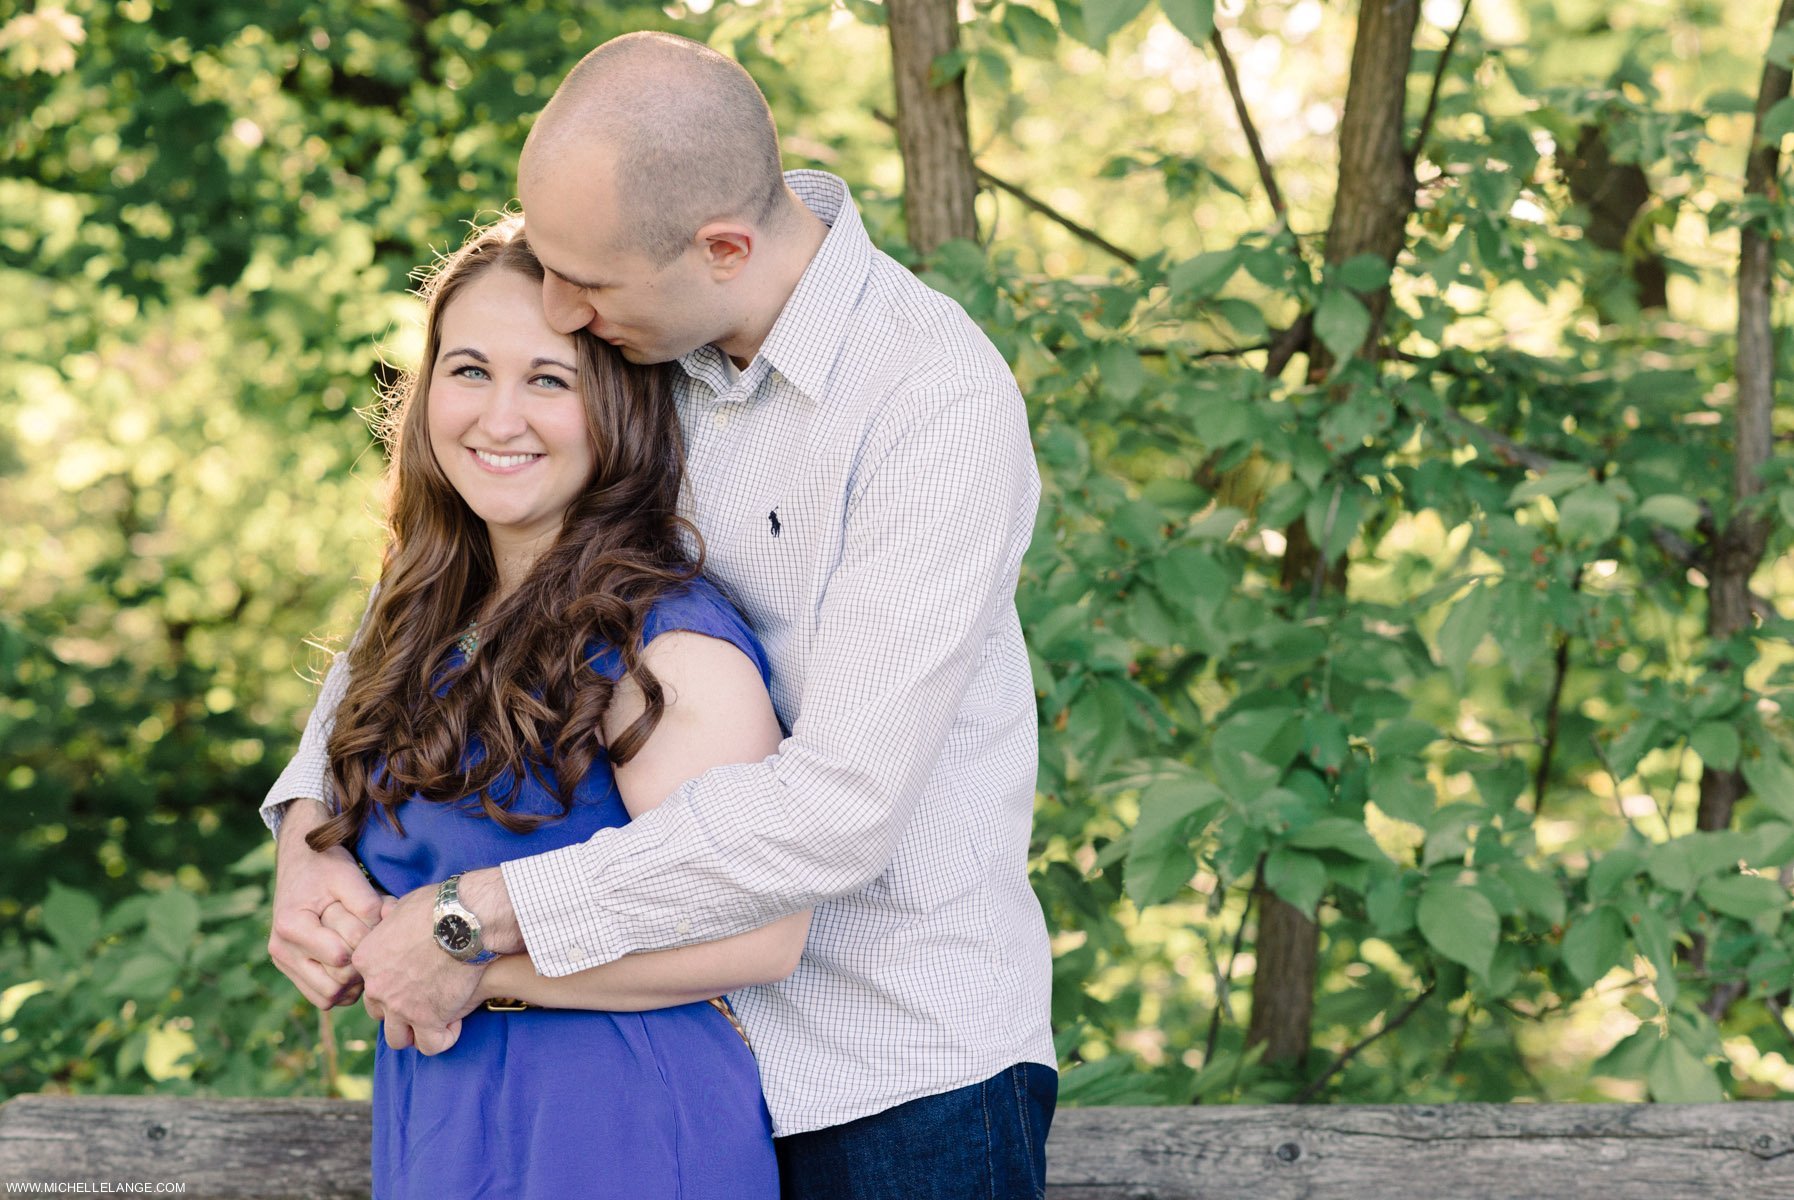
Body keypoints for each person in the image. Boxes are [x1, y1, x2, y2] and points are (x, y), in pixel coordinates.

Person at [264, 30, 1056, 1200]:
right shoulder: (653, 326)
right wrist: (308, 820)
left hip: (891, 1070)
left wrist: (469, 923)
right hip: (645, 1044)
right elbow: (465, 564)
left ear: (723, 247)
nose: (561, 312)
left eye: (584, 288)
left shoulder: (930, 405)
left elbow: (840, 811)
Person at [307, 215, 803, 1199]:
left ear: (617, 405)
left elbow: (759, 933)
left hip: (617, 1124)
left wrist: (470, 965)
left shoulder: (665, 638)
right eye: (468, 370)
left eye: (548, 380)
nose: (499, 417)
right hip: (448, 1117)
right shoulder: (427, 615)